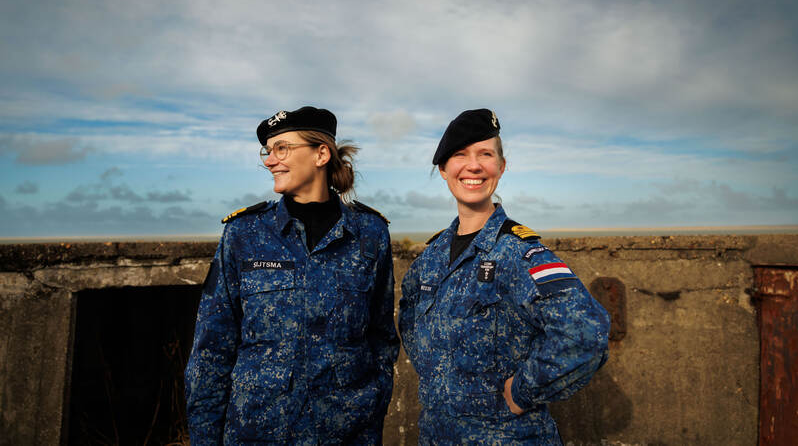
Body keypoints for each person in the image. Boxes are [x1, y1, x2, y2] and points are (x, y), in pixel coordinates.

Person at [185, 106, 400, 445]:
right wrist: (205, 438)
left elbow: (381, 336)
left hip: (347, 433)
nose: (270, 160)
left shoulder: (370, 234)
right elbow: (212, 348)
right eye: (268, 152)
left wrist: (370, 405)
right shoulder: (244, 234)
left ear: (321, 154)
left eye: (282, 148)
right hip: (257, 432)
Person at [398, 109, 609, 445]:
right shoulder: (431, 258)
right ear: (443, 169)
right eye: (460, 155)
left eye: (486, 154)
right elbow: (409, 316)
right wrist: (441, 375)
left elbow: (585, 332)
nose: (474, 166)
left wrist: (523, 390)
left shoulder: (519, 252)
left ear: (502, 166)